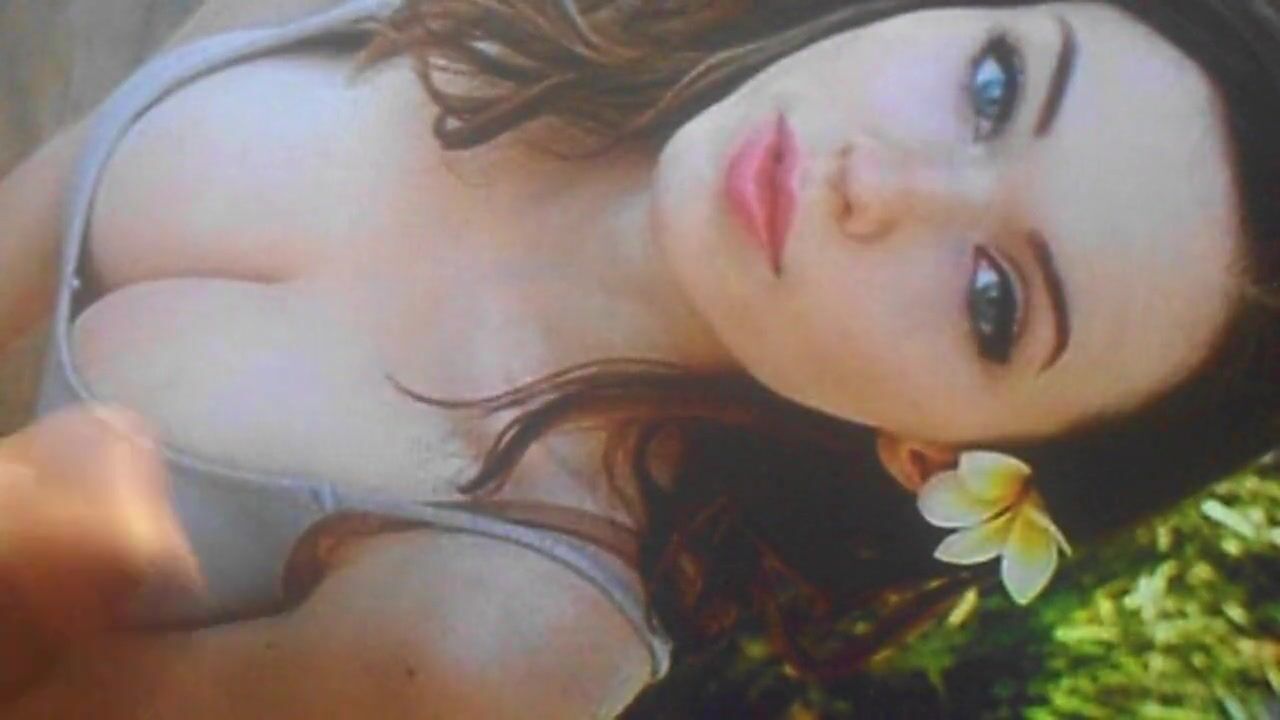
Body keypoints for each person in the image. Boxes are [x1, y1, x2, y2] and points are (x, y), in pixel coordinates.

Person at [0, 0, 1278, 715]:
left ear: (935, 454)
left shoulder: (499, 637)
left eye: (994, 301)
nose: (879, 180)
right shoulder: (533, 17)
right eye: (993, 87)